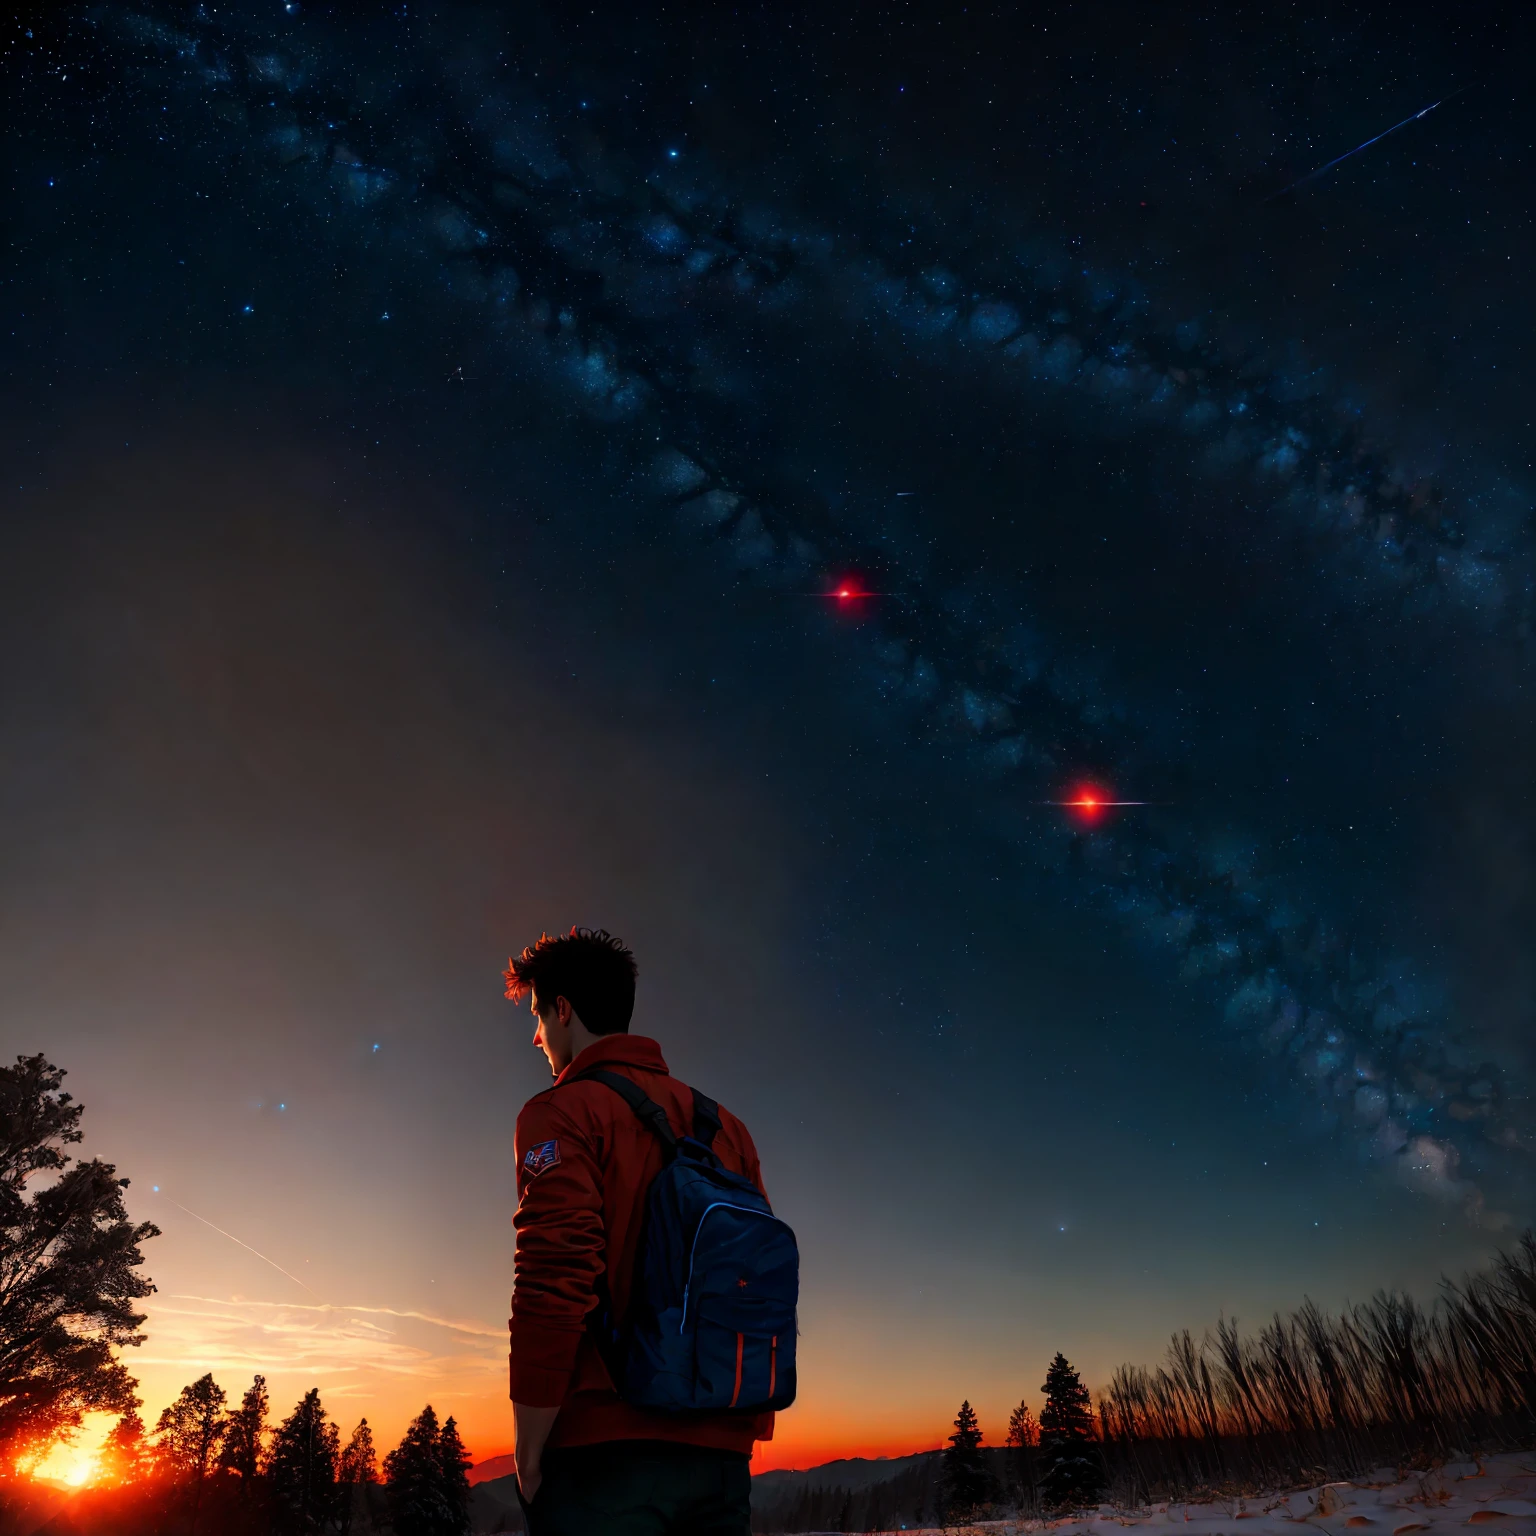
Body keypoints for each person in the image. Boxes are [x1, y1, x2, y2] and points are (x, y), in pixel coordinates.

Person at [504, 927, 775, 1536]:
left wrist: (529, 1445)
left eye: (539, 1015)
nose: (537, 1036)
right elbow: (750, 1283)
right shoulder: (728, 1128)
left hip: (606, 1456)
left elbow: (553, 1271)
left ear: (564, 1009)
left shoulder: (560, 1111)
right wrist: (742, 1429)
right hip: (723, 1456)